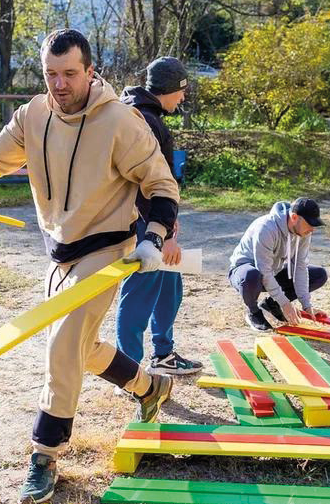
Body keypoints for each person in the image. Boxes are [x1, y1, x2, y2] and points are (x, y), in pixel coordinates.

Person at [0, 29, 180, 504]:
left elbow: (160, 184)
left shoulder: (122, 121)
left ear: (91, 71)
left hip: (110, 249)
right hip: (60, 251)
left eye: (70, 73)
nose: (60, 84)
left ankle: (45, 452)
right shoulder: (32, 115)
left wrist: (153, 239)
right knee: (79, 345)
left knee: (62, 343)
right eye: (51, 74)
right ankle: (150, 386)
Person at [114, 56, 202, 375]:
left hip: (156, 222)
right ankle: (129, 369)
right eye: (182, 91)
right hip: (142, 223)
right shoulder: (146, 122)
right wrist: (164, 235)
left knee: (169, 285)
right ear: (172, 88)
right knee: (139, 293)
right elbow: (146, 187)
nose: (183, 98)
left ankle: (163, 353)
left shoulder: (143, 114)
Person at [228, 198, 328, 331]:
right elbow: (263, 270)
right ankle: (254, 312)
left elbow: (300, 267)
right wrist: (285, 303)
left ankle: (271, 305)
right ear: (294, 217)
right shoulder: (266, 228)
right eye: (310, 224)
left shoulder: (303, 232)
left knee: (319, 275)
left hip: (272, 271)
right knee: (251, 275)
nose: (312, 229)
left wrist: (307, 306)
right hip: (245, 272)